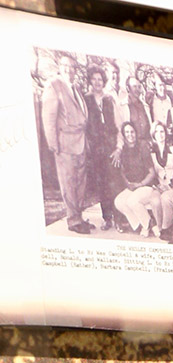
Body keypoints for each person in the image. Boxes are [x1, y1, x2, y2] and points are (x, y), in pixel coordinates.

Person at [41, 52, 91, 234]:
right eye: (65, 67)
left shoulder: (75, 88)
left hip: (80, 143)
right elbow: (49, 117)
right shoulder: (54, 86)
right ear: (60, 69)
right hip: (65, 145)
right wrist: (54, 145)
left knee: (80, 183)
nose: (69, 70)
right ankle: (73, 221)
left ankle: (78, 217)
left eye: (72, 67)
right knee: (69, 184)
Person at [84, 67, 121, 231]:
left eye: (100, 79)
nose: (97, 82)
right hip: (96, 151)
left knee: (115, 184)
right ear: (90, 80)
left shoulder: (109, 100)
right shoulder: (85, 100)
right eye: (94, 79)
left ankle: (120, 219)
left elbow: (119, 126)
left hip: (112, 150)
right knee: (102, 185)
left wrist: (119, 149)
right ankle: (107, 218)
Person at [114, 120, 159, 237]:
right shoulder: (123, 151)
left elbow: (152, 173)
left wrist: (140, 184)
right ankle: (143, 224)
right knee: (119, 201)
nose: (130, 135)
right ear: (123, 135)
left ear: (136, 132)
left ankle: (147, 225)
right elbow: (122, 172)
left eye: (132, 132)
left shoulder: (143, 147)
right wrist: (128, 183)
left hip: (147, 186)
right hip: (133, 187)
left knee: (132, 201)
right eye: (127, 132)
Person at [149, 121, 173, 239]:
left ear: (166, 134)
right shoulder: (151, 151)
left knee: (165, 198)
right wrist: (156, 185)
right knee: (155, 201)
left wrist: (172, 185)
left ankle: (168, 228)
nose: (160, 134)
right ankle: (160, 228)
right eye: (156, 131)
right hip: (158, 186)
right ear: (153, 134)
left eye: (162, 131)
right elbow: (150, 172)